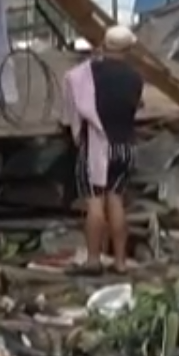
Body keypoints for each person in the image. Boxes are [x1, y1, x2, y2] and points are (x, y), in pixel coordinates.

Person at [60, 25, 144, 272]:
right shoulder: (135, 77)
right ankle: (120, 262)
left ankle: (94, 260)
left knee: (95, 202)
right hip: (126, 146)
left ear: (104, 45)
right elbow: (135, 106)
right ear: (129, 49)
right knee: (116, 200)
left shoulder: (84, 74)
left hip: (97, 147)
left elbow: (70, 113)